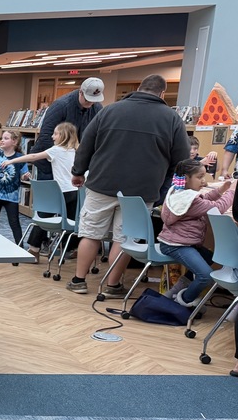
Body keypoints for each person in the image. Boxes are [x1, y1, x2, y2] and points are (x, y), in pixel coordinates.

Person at [67, 74, 189, 295]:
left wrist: (78, 172)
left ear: (140, 88)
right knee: (125, 238)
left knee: (91, 233)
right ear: (162, 94)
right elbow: (181, 161)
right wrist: (166, 189)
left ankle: (78, 280)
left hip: (102, 183)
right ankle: (112, 286)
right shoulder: (172, 119)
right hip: (142, 192)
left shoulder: (110, 111)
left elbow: (86, 145)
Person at [158, 159, 235, 307]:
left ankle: (176, 290)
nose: (203, 181)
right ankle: (182, 303)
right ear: (186, 179)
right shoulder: (191, 201)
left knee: (208, 256)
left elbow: (204, 199)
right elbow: (216, 208)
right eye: (199, 177)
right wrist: (232, 192)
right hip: (177, 245)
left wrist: (220, 191)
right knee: (205, 276)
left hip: (175, 241)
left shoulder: (178, 191)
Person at [1, 121, 79, 256]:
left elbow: (34, 156)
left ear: (63, 136)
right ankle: (71, 248)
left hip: (61, 192)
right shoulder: (76, 151)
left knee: (43, 218)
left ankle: (34, 249)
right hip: (75, 192)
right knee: (71, 221)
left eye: (55, 134)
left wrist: (12, 161)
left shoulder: (56, 150)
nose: (52, 137)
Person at [30, 77, 104, 183]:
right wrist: (63, 157)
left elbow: (97, 135)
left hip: (75, 164)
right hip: (50, 164)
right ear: (81, 92)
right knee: (52, 197)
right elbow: (46, 136)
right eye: (88, 99)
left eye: (94, 100)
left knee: (72, 197)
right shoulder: (61, 105)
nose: (91, 103)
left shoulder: (96, 108)